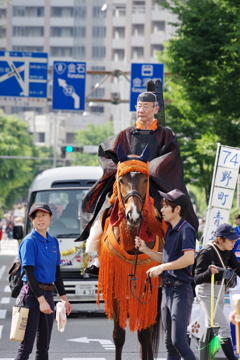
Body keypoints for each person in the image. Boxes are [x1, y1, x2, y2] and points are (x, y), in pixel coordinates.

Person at [81, 89, 198, 274]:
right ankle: (97, 258)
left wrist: (148, 169)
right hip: (128, 186)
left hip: (155, 187)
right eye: (139, 106)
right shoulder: (126, 134)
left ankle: (176, 255)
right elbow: (106, 151)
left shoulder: (165, 135)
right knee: (103, 211)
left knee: (172, 215)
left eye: (146, 106)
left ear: (156, 109)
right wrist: (121, 168)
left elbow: (170, 159)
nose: (141, 110)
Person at [135, 189, 197, 360]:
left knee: (179, 342)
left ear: (177, 209)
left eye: (166, 206)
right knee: (170, 344)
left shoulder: (187, 230)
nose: (161, 209)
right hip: (167, 291)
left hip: (180, 291)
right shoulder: (170, 230)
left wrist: (162, 268)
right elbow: (167, 258)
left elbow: (189, 258)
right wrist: (145, 249)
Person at [15, 202, 72, 360]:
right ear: (31, 220)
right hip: (31, 297)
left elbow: (57, 273)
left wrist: (64, 298)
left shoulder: (53, 241)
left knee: (43, 347)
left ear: (50, 217)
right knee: (26, 347)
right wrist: (41, 301)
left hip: (48, 295)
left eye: (43, 215)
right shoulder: (29, 242)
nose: (40, 219)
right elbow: (29, 273)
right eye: (36, 216)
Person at [194, 223, 240, 360]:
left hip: (220, 290)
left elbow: (237, 268)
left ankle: (207, 357)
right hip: (206, 291)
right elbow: (196, 278)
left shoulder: (228, 251)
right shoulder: (206, 252)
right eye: (231, 240)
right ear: (220, 239)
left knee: (213, 328)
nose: (234, 242)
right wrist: (208, 271)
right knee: (223, 328)